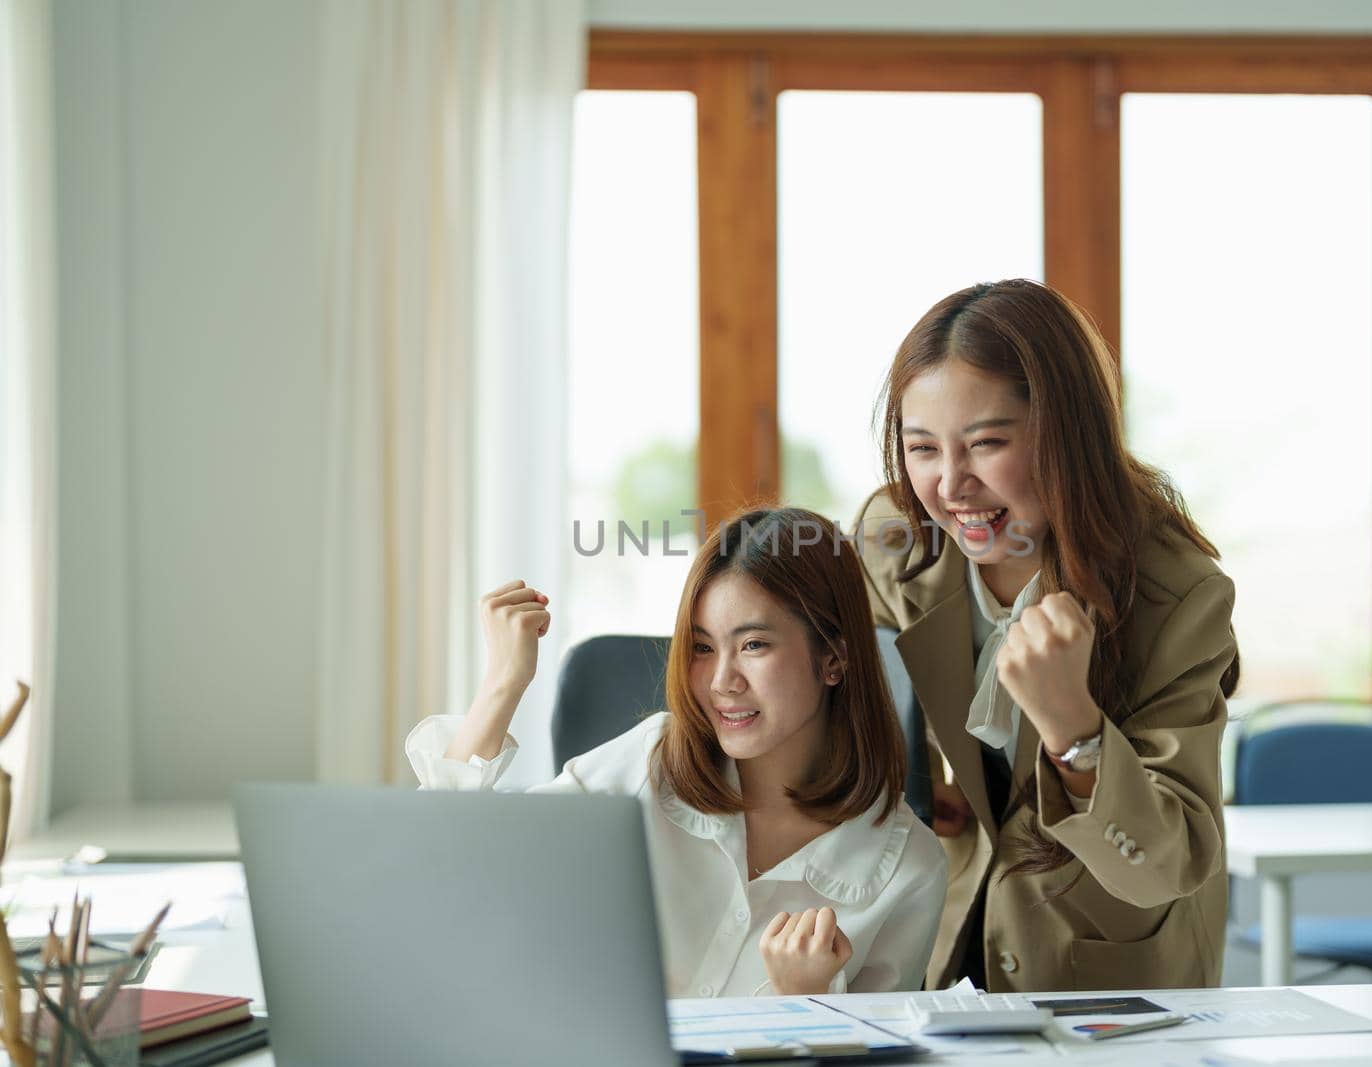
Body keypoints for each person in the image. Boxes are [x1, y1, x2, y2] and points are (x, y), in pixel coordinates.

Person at [853, 278, 1240, 994]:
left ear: (1068, 433)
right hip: (943, 959)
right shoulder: (894, 542)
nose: (950, 484)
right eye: (922, 448)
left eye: (986, 443)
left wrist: (1075, 731)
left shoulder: (1177, 593)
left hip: (1102, 979)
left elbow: (1170, 861)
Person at [406, 506, 948, 997]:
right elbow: (447, 868)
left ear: (833, 658)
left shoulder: (909, 869)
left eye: (754, 645)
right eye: (703, 648)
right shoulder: (650, 764)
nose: (722, 681)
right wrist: (503, 681)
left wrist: (807, 1004)